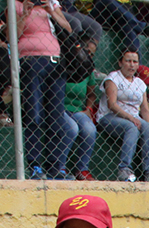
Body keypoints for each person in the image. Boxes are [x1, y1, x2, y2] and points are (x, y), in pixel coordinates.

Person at [15, 0, 71, 180]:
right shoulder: (15, 4)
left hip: (54, 61)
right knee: (34, 114)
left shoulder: (50, 4)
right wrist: (25, 13)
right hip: (31, 61)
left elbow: (68, 29)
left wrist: (52, 12)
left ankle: (55, 167)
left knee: (56, 115)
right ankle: (35, 165)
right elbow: (12, 36)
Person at [98, 49, 149, 182]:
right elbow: (112, 104)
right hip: (109, 117)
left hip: (134, 118)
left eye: (135, 61)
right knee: (131, 127)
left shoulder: (140, 83)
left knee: (148, 128)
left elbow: (145, 108)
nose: (131, 65)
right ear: (120, 63)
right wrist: (131, 118)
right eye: (128, 61)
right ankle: (124, 169)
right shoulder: (113, 78)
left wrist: (148, 126)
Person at [58, 33, 98, 180]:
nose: (88, 56)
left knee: (89, 129)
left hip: (77, 110)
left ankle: (82, 169)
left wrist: (88, 108)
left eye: (91, 54)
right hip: (59, 108)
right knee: (72, 128)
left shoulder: (88, 71)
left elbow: (92, 94)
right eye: (86, 52)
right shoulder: (65, 64)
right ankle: (59, 167)